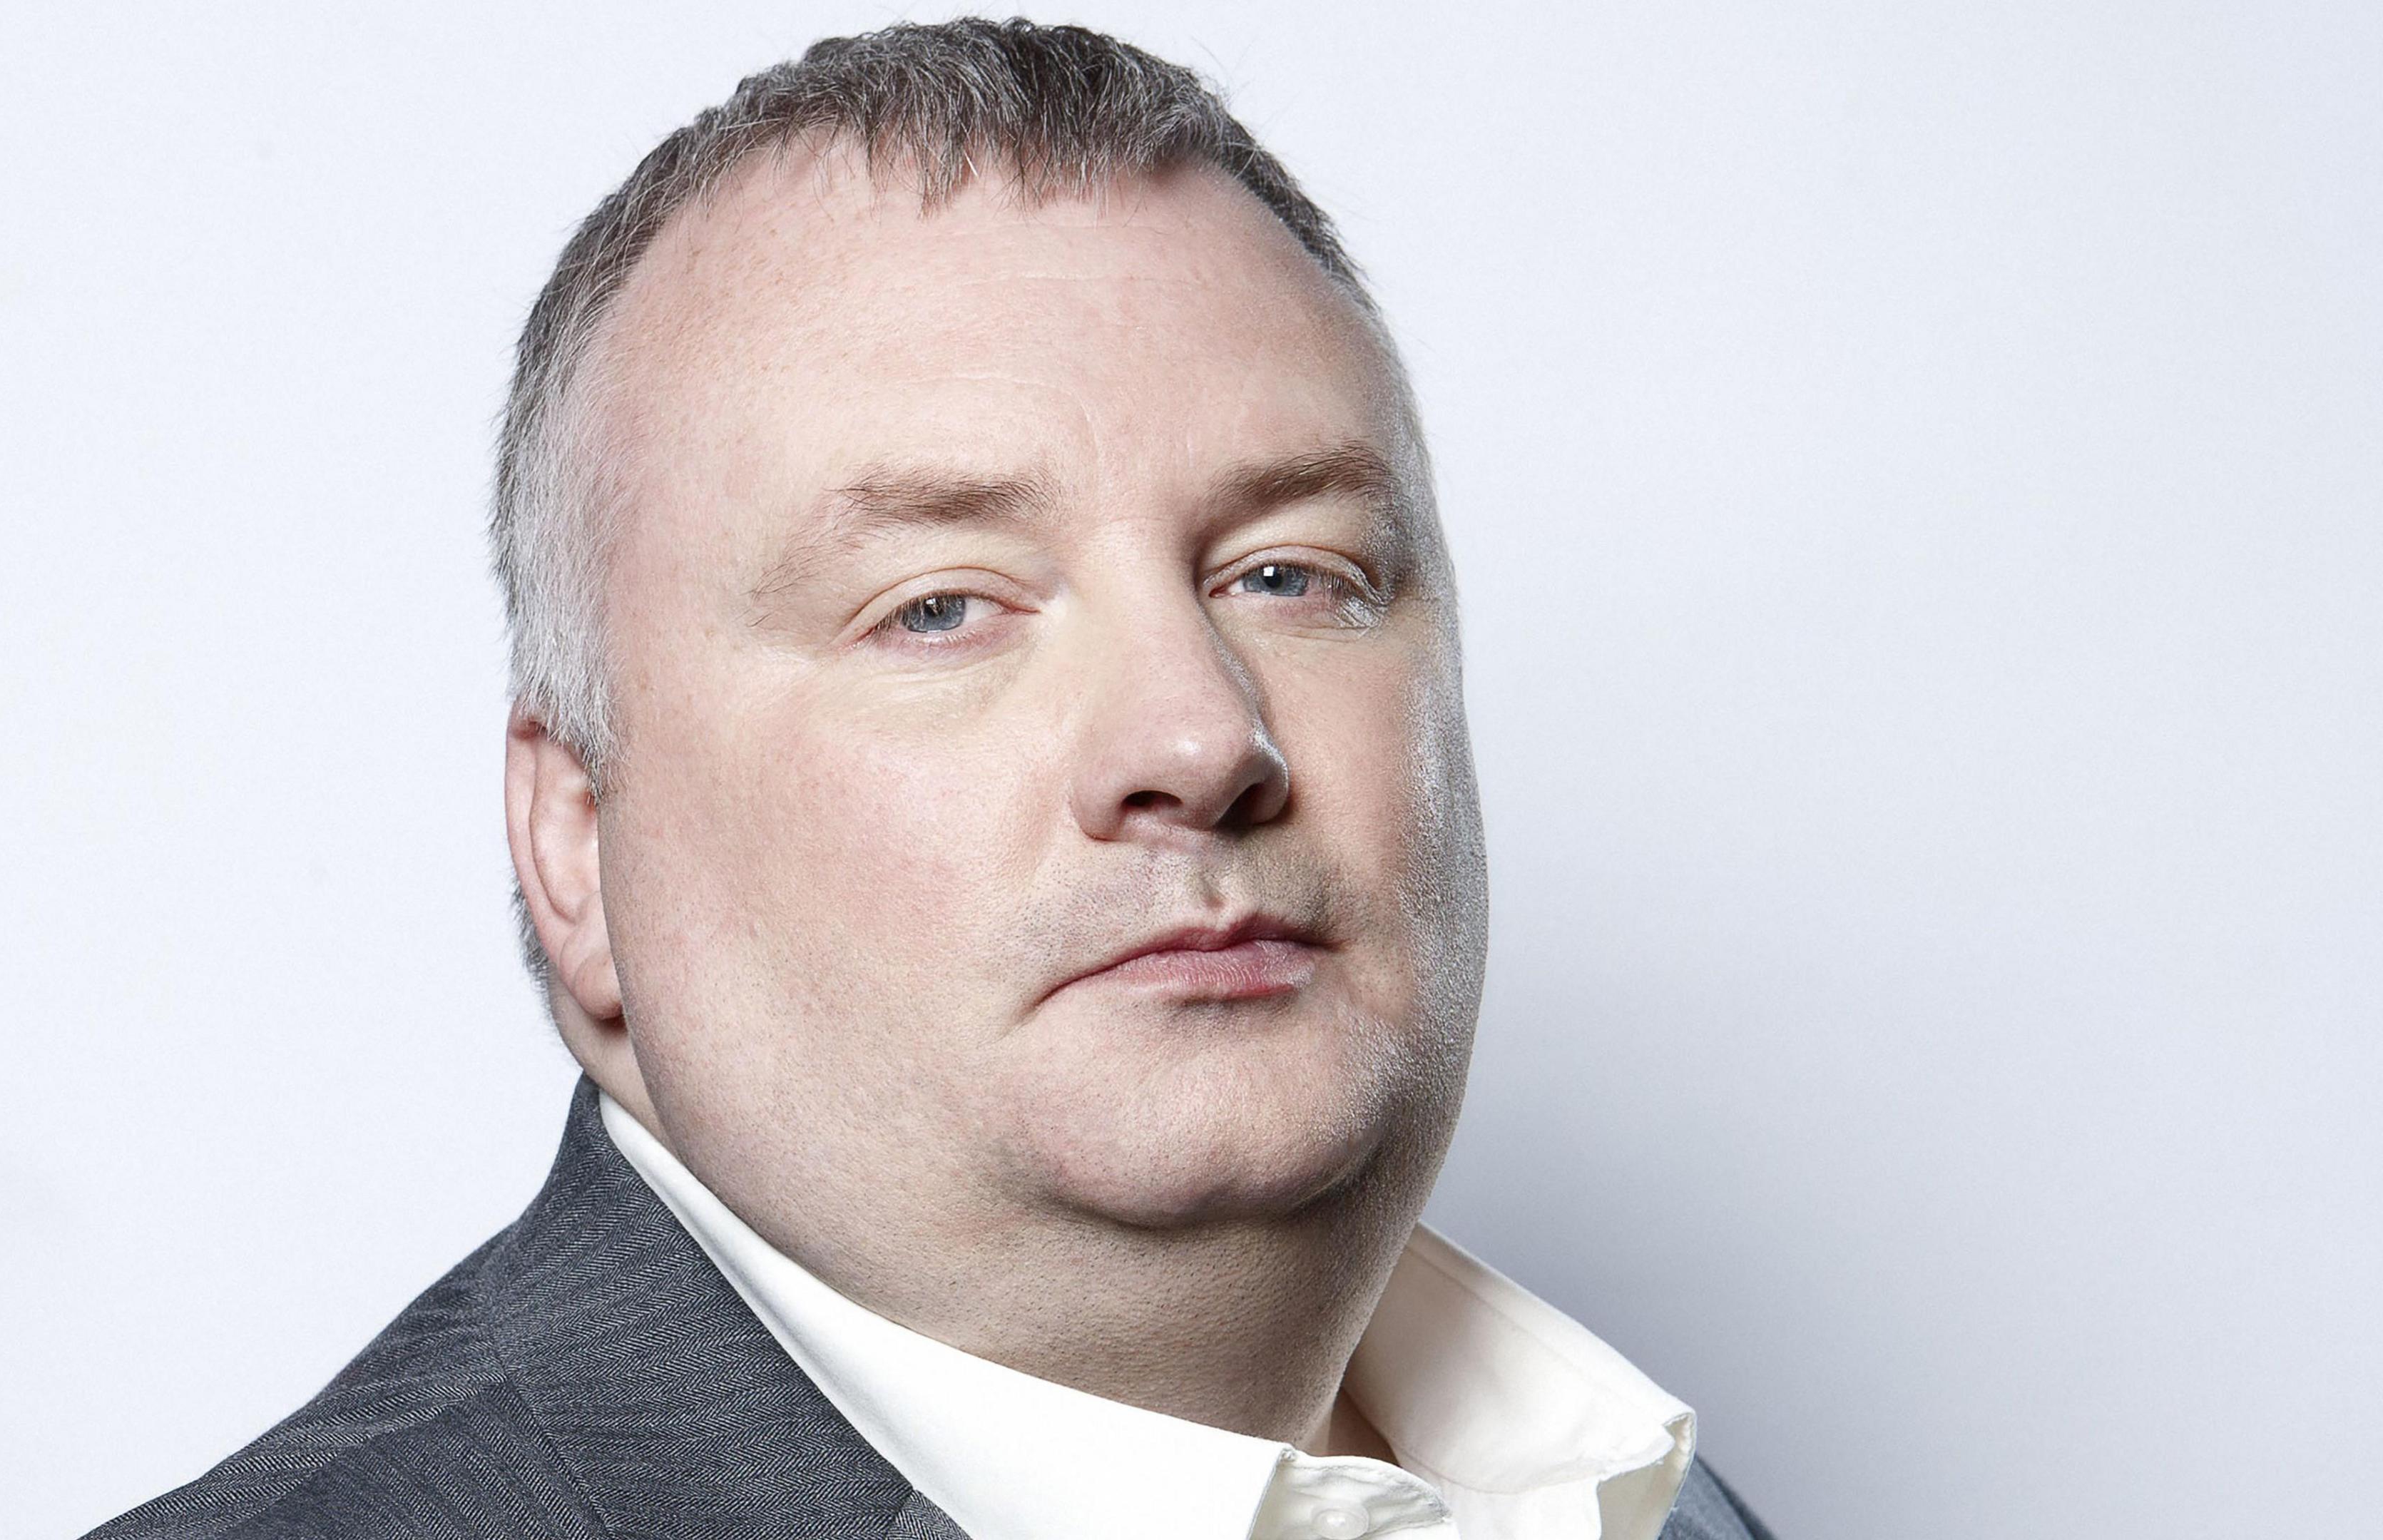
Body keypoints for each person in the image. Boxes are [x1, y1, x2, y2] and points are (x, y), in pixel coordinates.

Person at [88, 18, 1774, 1540]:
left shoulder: (1639, 1497)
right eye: (944, 609)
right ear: (581, 851)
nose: (1202, 739)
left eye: (1292, 574)